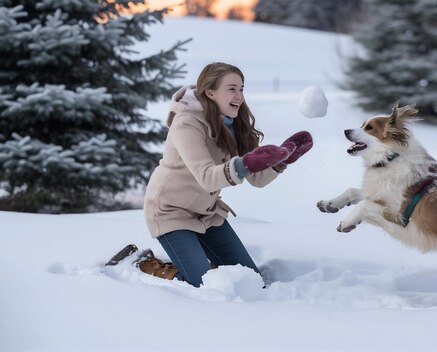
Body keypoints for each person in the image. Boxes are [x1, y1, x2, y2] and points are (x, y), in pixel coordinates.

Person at [106, 62, 313, 287]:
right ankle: (141, 263)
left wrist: (282, 160)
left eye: (242, 89)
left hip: (206, 212)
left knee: (250, 279)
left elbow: (256, 180)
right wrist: (246, 163)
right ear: (210, 92)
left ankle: (196, 262)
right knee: (201, 283)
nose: (239, 96)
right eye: (232, 89)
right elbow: (206, 177)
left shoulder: (234, 125)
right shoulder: (186, 123)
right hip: (169, 212)